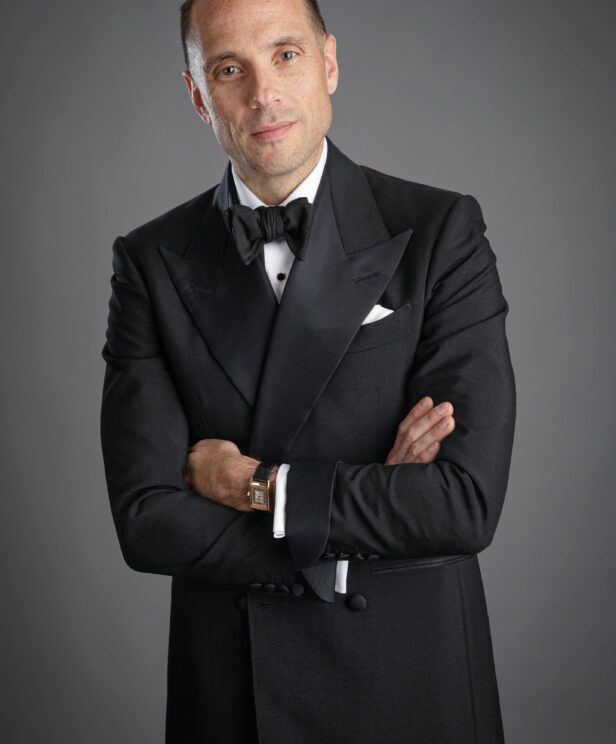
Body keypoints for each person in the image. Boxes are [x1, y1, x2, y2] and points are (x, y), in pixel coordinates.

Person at [99, 0, 516, 741]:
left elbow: (461, 503)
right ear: (198, 95)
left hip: (410, 677)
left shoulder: (441, 230)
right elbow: (148, 520)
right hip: (231, 684)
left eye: (285, 55)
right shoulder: (149, 260)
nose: (263, 93)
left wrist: (255, 485)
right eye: (229, 69)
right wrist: (367, 512)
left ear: (328, 63)